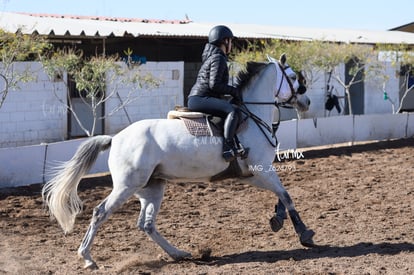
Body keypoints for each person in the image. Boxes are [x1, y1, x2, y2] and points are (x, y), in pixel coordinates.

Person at [187, 25, 248, 162]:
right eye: (231, 41)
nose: (231, 44)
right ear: (225, 41)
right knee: (233, 111)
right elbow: (214, 85)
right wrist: (234, 91)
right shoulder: (218, 58)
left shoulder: (213, 57)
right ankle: (228, 147)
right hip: (200, 98)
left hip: (199, 97)